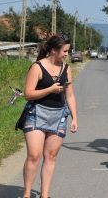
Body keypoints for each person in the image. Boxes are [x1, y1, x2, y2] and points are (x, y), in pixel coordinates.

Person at [22, 34, 78, 198]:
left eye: (68, 51)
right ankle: (26, 194)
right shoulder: (37, 67)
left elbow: (70, 95)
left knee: (51, 156)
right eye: (64, 51)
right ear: (53, 50)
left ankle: (44, 195)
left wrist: (74, 117)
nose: (67, 54)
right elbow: (28, 94)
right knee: (34, 155)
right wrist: (50, 89)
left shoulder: (66, 69)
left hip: (58, 115)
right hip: (36, 114)